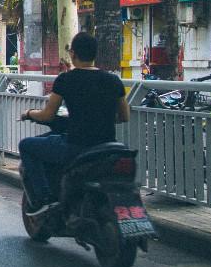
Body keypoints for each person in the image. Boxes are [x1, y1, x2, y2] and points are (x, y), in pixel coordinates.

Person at [19, 31, 129, 216]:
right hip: (107, 146)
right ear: (95, 54)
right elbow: (124, 116)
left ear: (73, 53)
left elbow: (47, 115)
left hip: (76, 147)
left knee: (26, 146)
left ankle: (43, 198)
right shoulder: (113, 80)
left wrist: (29, 113)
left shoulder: (66, 79)